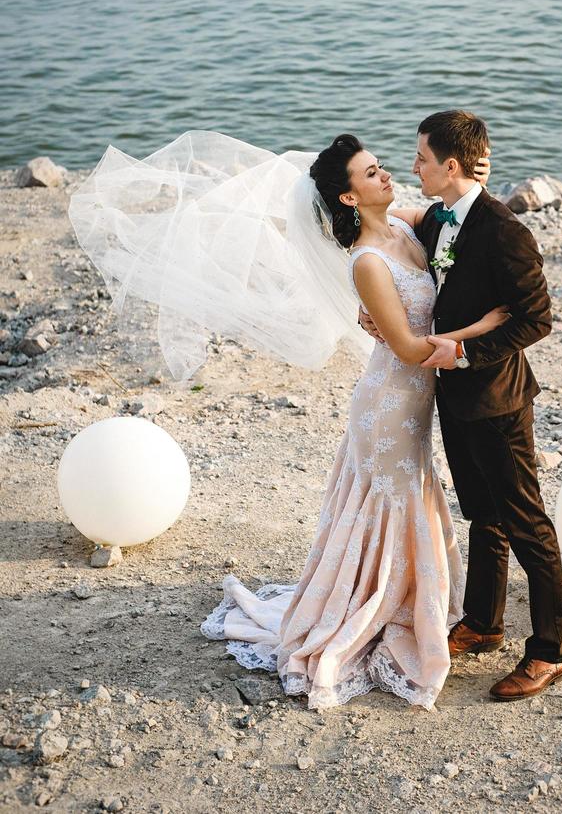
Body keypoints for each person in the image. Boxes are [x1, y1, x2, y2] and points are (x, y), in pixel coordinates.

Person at [199, 134, 508, 710]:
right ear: (348, 198)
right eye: (371, 175)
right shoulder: (368, 260)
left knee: (408, 497)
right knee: (393, 502)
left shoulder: (406, 226)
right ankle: (371, 607)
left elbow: (454, 207)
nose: (387, 176)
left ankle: (406, 598)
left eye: (383, 167)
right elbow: (412, 350)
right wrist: (485, 326)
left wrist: (478, 173)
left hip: (413, 405)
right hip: (389, 404)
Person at [360, 111, 562, 701]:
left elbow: (536, 320)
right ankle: (483, 623)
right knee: (483, 514)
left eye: (421, 158)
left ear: (450, 165)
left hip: (498, 402)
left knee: (528, 525)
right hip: (452, 400)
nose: (413, 167)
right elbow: (423, 279)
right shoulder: (439, 221)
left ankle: (550, 652)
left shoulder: (505, 232)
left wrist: (464, 355)